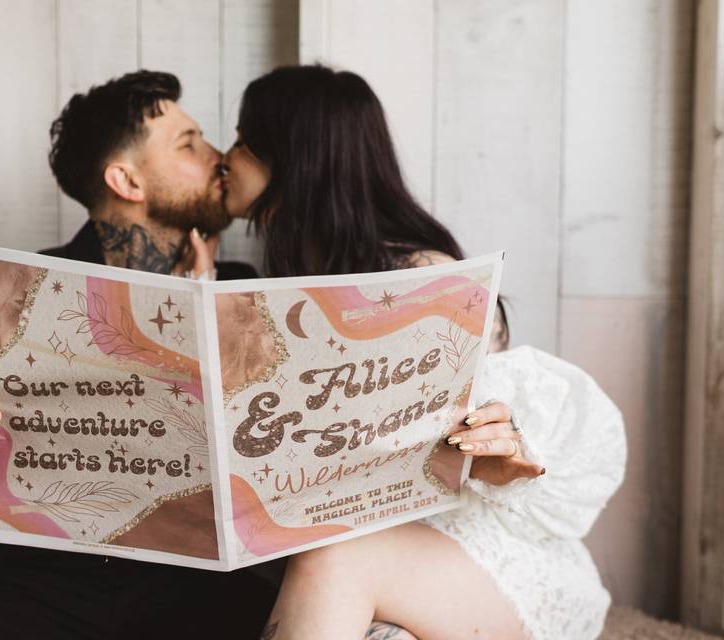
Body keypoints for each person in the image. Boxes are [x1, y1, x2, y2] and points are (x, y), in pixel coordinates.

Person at [212, 65, 627, 640]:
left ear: (292, 156)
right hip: (387, 553)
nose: (225, 156)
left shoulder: (420, 277)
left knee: (335, 558)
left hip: (483, 551)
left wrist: (499, 447)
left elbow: (493, 437)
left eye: (242, 140)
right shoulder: (288, 281)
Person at [0, 70, 279, 640]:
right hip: (37, 579)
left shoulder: (247, 290)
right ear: (126, 179)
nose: (218, 158)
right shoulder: (12, 294)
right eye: (189, 144)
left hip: (198, 581)